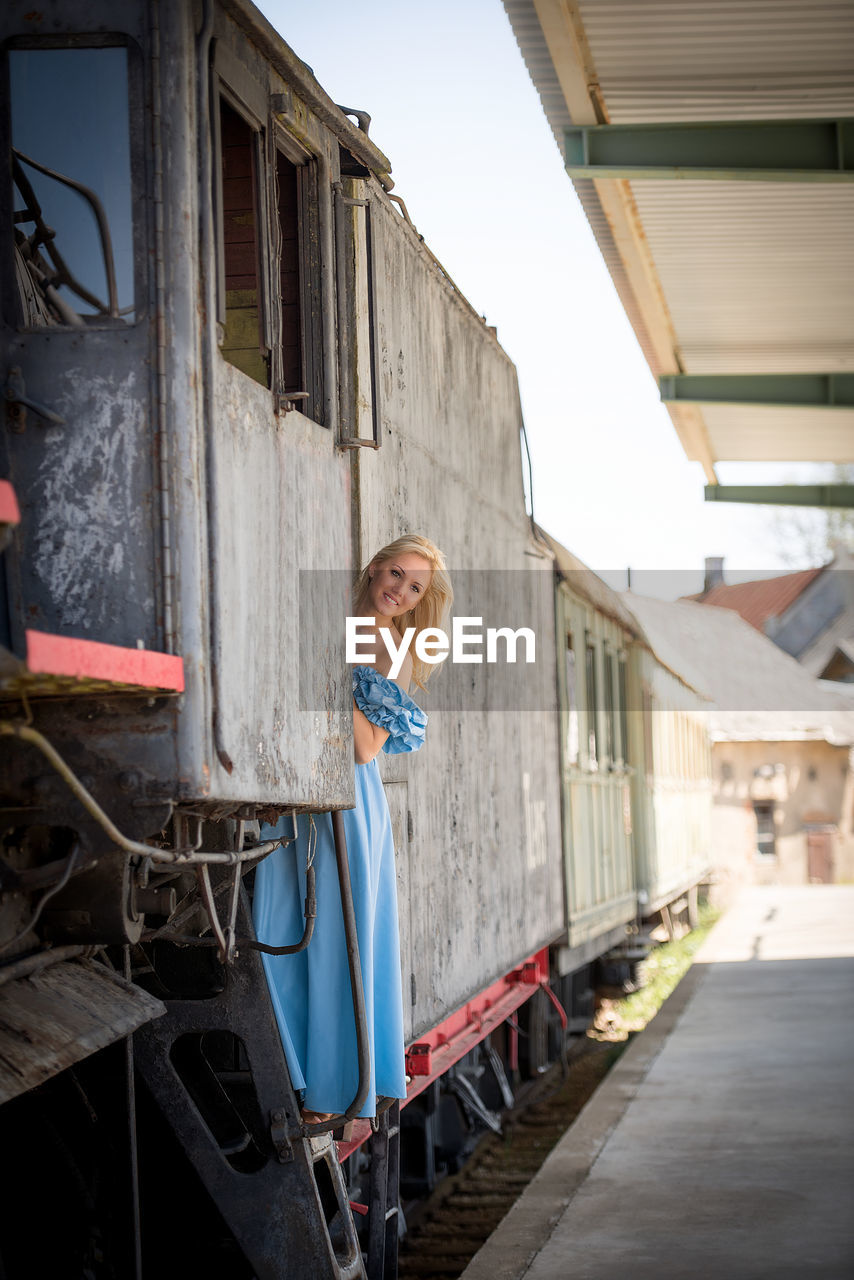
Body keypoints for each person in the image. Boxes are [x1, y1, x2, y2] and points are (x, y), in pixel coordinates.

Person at [252, 534, 453, 1126]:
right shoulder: (335, 618)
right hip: (299, 793)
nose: (400, 590)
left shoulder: (387, 647)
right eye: (396, 574)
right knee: (279, 927)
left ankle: (332, 1093)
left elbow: (365, 749)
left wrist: (330, 668)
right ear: (373, 568)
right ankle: (294, 1072)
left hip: (348, 802)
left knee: (340, 940)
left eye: (414, 587)